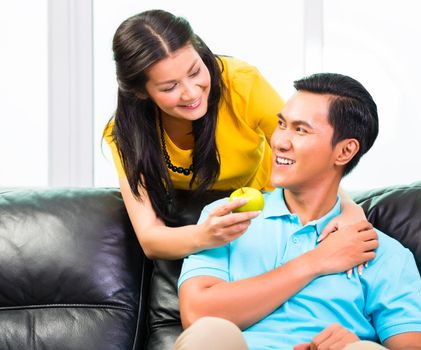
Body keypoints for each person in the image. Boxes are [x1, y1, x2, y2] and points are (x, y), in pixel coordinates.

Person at [177, 73, 421, 349]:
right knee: (211, 334)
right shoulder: (227, 218)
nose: (278, 141)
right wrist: (316, 261)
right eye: (281, 124)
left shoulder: (380, 252)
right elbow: (196, 314)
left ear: (344, 151)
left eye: (300, 130)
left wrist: (350, 344)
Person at [103, 9, 368, 261]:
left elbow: (305, 149)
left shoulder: (240, 83)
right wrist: (204, 235)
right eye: (170, 86)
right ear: (141, 92)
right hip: (197, 229)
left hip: (270, 210)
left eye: (195, 72)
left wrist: (349, 208)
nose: (192, 93)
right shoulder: (125, 134)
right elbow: (150, 238)